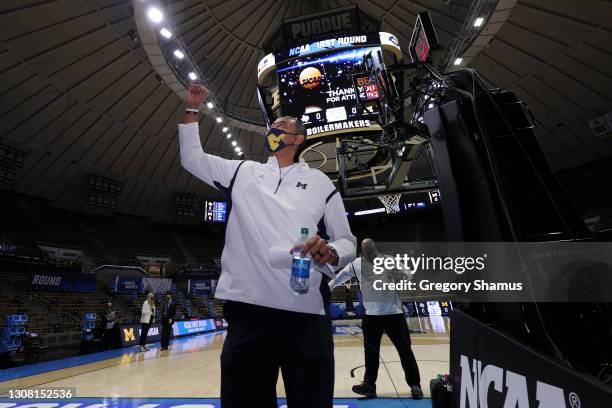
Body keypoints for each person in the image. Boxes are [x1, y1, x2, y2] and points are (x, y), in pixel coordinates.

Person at [179, 84, 356, 408]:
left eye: (282, 127)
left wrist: (330, 252)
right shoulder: (243, 171)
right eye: (272, 127)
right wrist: (192, 110)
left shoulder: (320, 182)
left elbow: (347, 241)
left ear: (299, 139)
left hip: (305, 315)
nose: (273, 131)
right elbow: (191, 158)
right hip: (248, 315)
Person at [329, 238, 423, 399]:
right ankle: (369, 386)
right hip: (371, 317)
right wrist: (326, 289)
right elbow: (339, 278)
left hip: (394, 314)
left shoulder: (389, 260)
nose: (371, 257)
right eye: (367, 254)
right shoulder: (356, 264)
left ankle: (415, 385)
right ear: (362, 253)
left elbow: (408, 274)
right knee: (371, 353)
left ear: (376, 250)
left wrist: (400, 275)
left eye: (372, 254)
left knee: (405, 350)